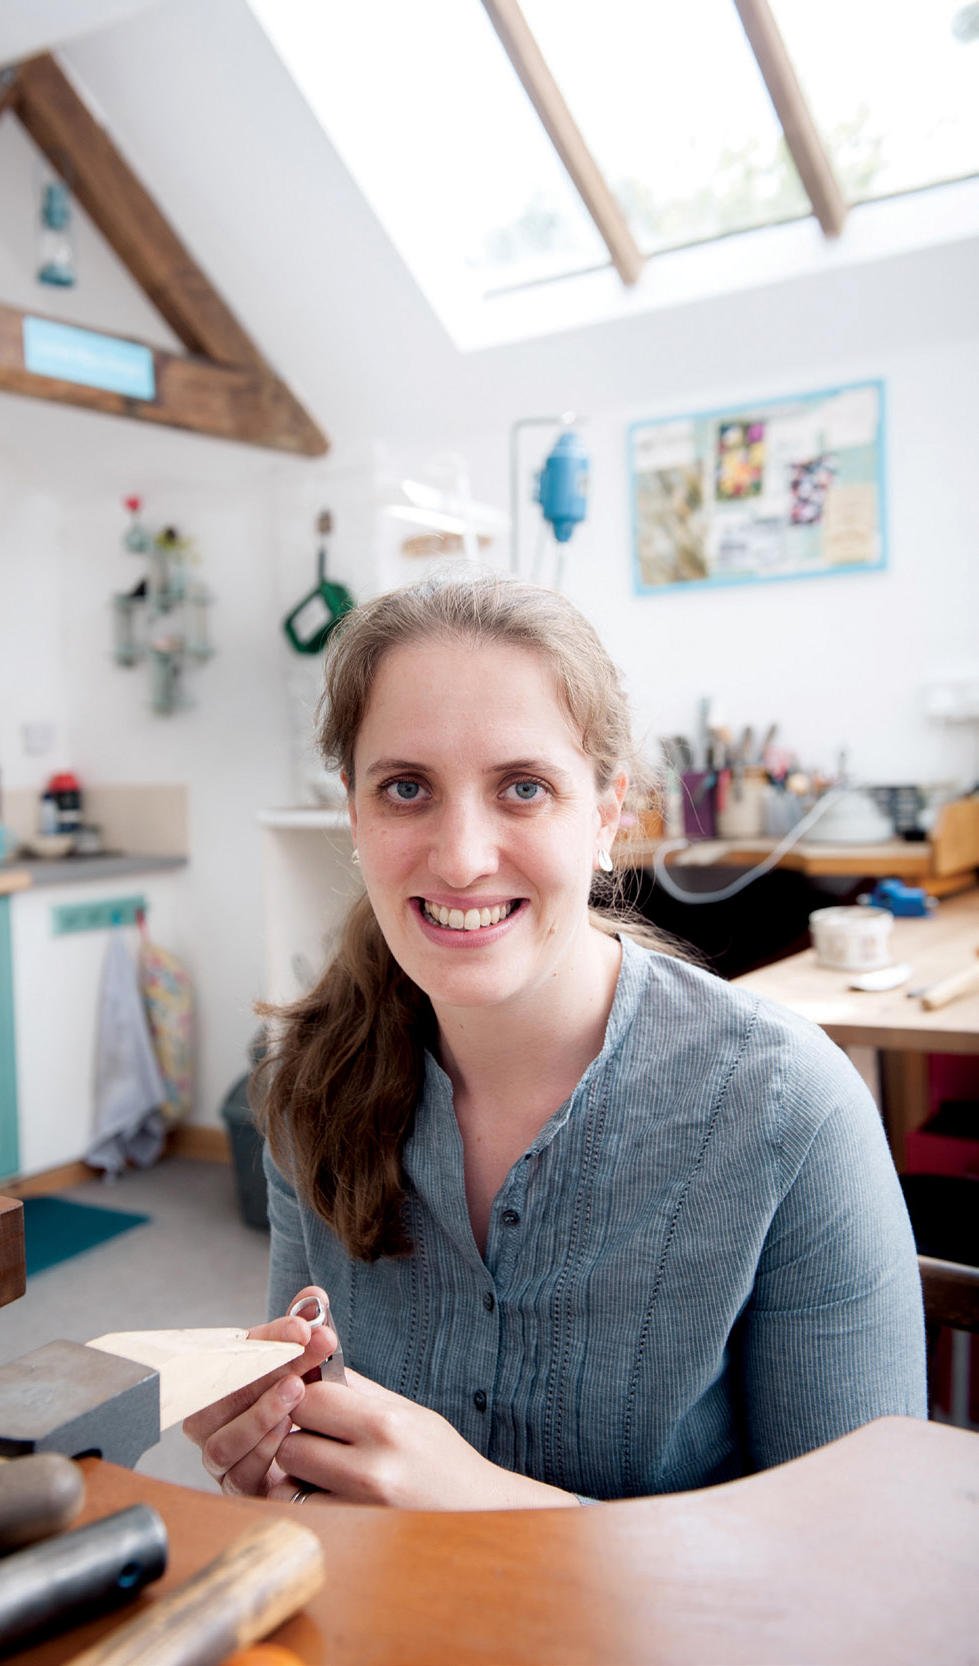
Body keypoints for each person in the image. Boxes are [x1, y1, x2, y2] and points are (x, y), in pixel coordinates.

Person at [185, 573, 925, 1508]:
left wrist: (487, 1505)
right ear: (356, 812)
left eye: (524, 787)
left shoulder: (789, 1109)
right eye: (406, 788)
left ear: (610, 812)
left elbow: (860, 1575)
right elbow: (331, 1490)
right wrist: (284, 1464)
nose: (459, 857)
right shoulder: (308, 1085)